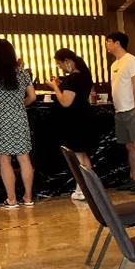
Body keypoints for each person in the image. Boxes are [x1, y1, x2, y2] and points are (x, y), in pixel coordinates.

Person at [0, 39, 37, 208]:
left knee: (4, 159)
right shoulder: (21, 72)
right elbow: (32, 97)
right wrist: (19, 105)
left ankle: (11, 200)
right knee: (24, 158)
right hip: (19, 117)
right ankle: (28, 198)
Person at [105, 31, 135, 194]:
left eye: (108, 41)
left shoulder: (131, 60)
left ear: (117, 43)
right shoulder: (114, 64)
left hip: (132, 108)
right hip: (120, 109)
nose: (106, 45)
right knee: (129, 146)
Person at [48, 48, 95, 201]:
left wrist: (55, 87)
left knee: (78, 155)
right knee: (83, 154)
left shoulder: (73, 79)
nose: (60, 67)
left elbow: (65, 102)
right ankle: (89, 187)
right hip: (84, 117)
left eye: (60, 63)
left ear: (67, 61)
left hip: (75, 120)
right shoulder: (84, 76)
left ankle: (82, 189)